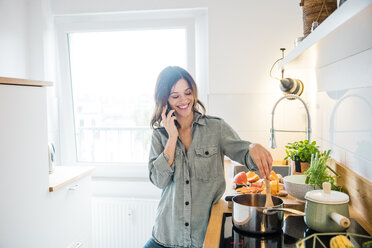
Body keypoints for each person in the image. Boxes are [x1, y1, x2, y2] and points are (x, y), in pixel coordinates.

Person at [144, 66, 273, 248]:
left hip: (205, 237)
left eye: (188, 92)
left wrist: (253, 147)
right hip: (167, 235)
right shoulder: (160, 136)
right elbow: (159, 181)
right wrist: (172, 137)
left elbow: (243, 152)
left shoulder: (215, 128)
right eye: (175, 96)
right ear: (164, 100)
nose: (184, 100)